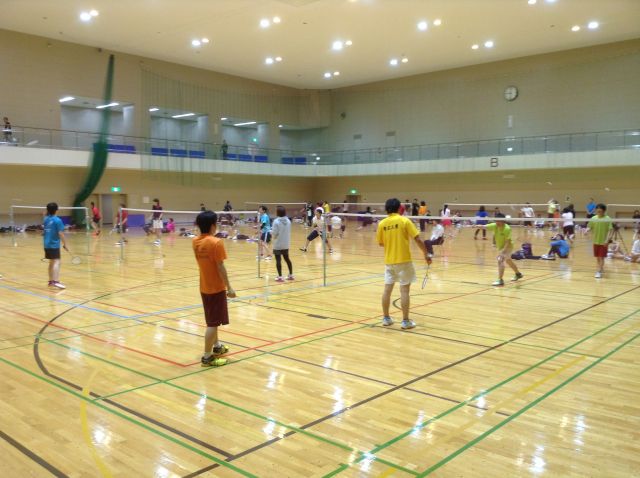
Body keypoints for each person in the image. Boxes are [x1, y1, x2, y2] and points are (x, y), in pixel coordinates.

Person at [377, 198, 429, 329]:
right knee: (404, 291)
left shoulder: (382, 224)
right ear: (399, 208)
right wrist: (426, 254)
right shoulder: (404, 221)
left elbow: (381, 243)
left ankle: (386, 319)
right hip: (404, 261)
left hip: (389, 262)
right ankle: (405, 321)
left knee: (387, 290)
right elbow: (417, 239)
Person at [193, 210, 235, 367]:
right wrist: (229, 287)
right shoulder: (216, 243)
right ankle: (207, 357)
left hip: (204, 286)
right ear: (213, 226)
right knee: (212, 324)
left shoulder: (195, 242)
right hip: (216, 288)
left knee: (213, 320)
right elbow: (220, 266)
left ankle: (216, 346)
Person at [475, 213, 523, 286]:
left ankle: (500, 280)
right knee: (508, 261)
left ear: (503, 221)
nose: (497, 222)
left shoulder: (507, 229)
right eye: (496, 221)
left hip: (508, 246)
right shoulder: (495, 225)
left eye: (498, 221)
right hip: (500, 247)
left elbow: (507, 242)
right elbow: (484, 226)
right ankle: (518, 274)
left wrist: (502, 252)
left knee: (500, 260)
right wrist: (476, 226)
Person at [43, 202, 68, 289]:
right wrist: (65, 244)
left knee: (51, 262)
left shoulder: (46, 219)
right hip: (53, 244)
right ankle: (56, 281)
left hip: (46, 244)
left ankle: (51, 281)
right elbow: (61, 233)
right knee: (57, 261)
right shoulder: (57, 220)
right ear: (57, 210)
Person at [588, 203, 613, 279]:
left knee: (601, 257)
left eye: (600, 211)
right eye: (597, 211)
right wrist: (587, 230)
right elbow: (590, 227)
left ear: (604, 211)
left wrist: (607, 240)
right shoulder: (593, 218)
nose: (599, 213)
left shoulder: (607, 218)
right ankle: (601, 268)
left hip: (603, 242)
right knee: (598, 257)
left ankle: (598, 271)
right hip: (595, 241)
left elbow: (610, 230)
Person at [271, 206, 294, 282]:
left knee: (278, 259)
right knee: (287, 259)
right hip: (286, 243)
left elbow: (274, 233)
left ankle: (280, 277)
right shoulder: (288, 221)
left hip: (278, 243)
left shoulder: (276, 221)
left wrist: (271, 232)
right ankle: (291, 275)